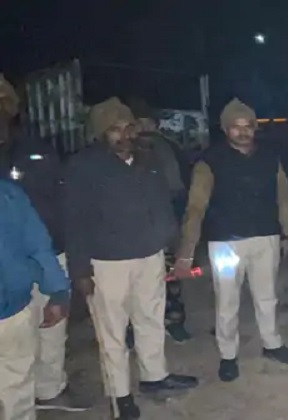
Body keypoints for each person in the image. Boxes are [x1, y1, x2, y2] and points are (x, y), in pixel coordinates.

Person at [64, 97, 198, 420]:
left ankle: (155, 377)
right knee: (112, 331)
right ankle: (120, 394)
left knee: (151, 318)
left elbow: (162, 204)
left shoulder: (147, 158)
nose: (124, 135)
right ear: (101, 133)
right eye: (115, 129)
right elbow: (74, 221)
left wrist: (171, 243)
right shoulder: (84, 166)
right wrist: (80, 270)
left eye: (128, 127)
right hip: (107, 262)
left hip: (149, 255)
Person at [174, 98, 288, 383]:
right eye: (236, 127)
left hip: (265, 237)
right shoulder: (210, 161)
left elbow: (283, 197)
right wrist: (187, 250)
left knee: (267, 296)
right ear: (225, 128)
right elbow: (196, 207)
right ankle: (228, 355)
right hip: (225, 243)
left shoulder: (270, 157)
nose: (243, 132)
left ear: (255, 128)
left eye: (248, 126)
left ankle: (272, 344)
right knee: (227, 300)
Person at [0, 75, 89, 412]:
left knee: (50, 330)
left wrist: (65, 268)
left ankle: (50, 390)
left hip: (45, 253)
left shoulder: (36, 149)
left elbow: (64, 201)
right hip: (14, 264)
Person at [0, 178, 70, 420]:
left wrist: (58, 291)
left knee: (18, 387)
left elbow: (38, 245)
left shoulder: (9, 194)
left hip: (13, 309)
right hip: (13, 307)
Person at [130, 99, 191, 343]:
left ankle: (174, 321)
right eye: (139, 123)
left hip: (166, 225)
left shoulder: (170, 148)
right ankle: (133, 330)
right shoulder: (124, 153)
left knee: (170, 278)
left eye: (149, 123)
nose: (145, 128)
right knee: (134, 283)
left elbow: (183, 187)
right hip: (134, 229)